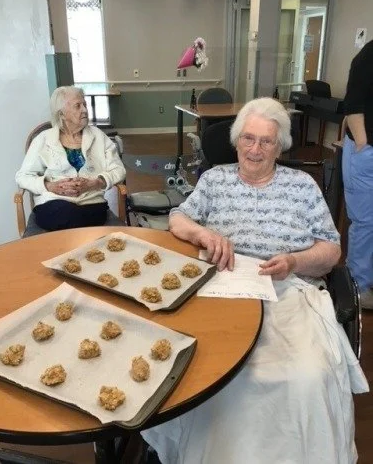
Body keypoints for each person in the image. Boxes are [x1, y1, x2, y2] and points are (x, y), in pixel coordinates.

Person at [142, 98, 368, 464]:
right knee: (209, 374)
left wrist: (295, 261)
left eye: (266, 141)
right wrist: (204, 236)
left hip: (288, 292)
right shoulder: (215, 179)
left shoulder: (302, 186)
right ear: (236, 141)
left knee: (306, 374)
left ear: (280, 147)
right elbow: (178, 218)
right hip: (223, 288)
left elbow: (331, 250)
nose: (255, 149)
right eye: (248, 139)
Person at [16, 86, 125, 231]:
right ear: (61, 114)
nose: (85, 110)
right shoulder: (43, 139)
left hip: (91, 202)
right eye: (77, 106)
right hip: (54, 202)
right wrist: (50, 186)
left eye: (85, 105)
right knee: (67, 215)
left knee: (78, 217)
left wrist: (96, 182)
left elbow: (119, 169)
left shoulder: (99, 136)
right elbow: (23, 176)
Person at [342, 39, 373, 308]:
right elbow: (353, 106)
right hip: (367, 154)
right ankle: (358, 288)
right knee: (365, 222)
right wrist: (363, 144)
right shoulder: (369, 55)